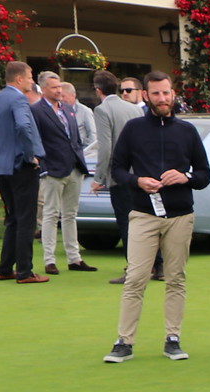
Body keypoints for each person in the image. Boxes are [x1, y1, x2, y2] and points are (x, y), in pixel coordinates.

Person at [104, 72, 210, 362]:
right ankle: (124, 341)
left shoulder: (187, 131)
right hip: (143, 213)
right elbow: (117, 169)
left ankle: (172, 338)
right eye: (156, 94)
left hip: (180, 215)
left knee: (176, 278)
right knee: (135, 278)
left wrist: (185, 177)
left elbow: (204, 175)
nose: (162, 99)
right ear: (146, 96)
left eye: (166, 93)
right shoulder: (133, 129)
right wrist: (137, 181)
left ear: (173, 94)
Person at [0, 62, 47, 283]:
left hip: (1, 166)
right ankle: (24, 271)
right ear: (19, 79)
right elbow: (22, 126)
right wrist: (30, 155)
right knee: (26, 219)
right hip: (21, 166)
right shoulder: (19, 99)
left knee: (13, 218)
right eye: (30, 77)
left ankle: (4, 268)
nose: (32, 81)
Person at [33, 74, 90, 273]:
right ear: (43, 89)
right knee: (50, 213)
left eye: (59, 87)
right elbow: (36, 140)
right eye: (54, 87)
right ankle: (49, 260)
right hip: (53, 169)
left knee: (70, 214)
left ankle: (74, 258)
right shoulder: (36, 111)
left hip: (74, 167)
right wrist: (43, 164)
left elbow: (75, 138)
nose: (58, 90)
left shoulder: (67, 108)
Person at [92, 71, 145, 282]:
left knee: (126, 222)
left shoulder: (102, 110)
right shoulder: (135, 109)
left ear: (98, 90)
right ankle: (156, 265)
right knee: (145, 221)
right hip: (140, 173)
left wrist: (98, 178)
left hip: (120, 175)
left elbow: (105, 147)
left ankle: (134, 268)